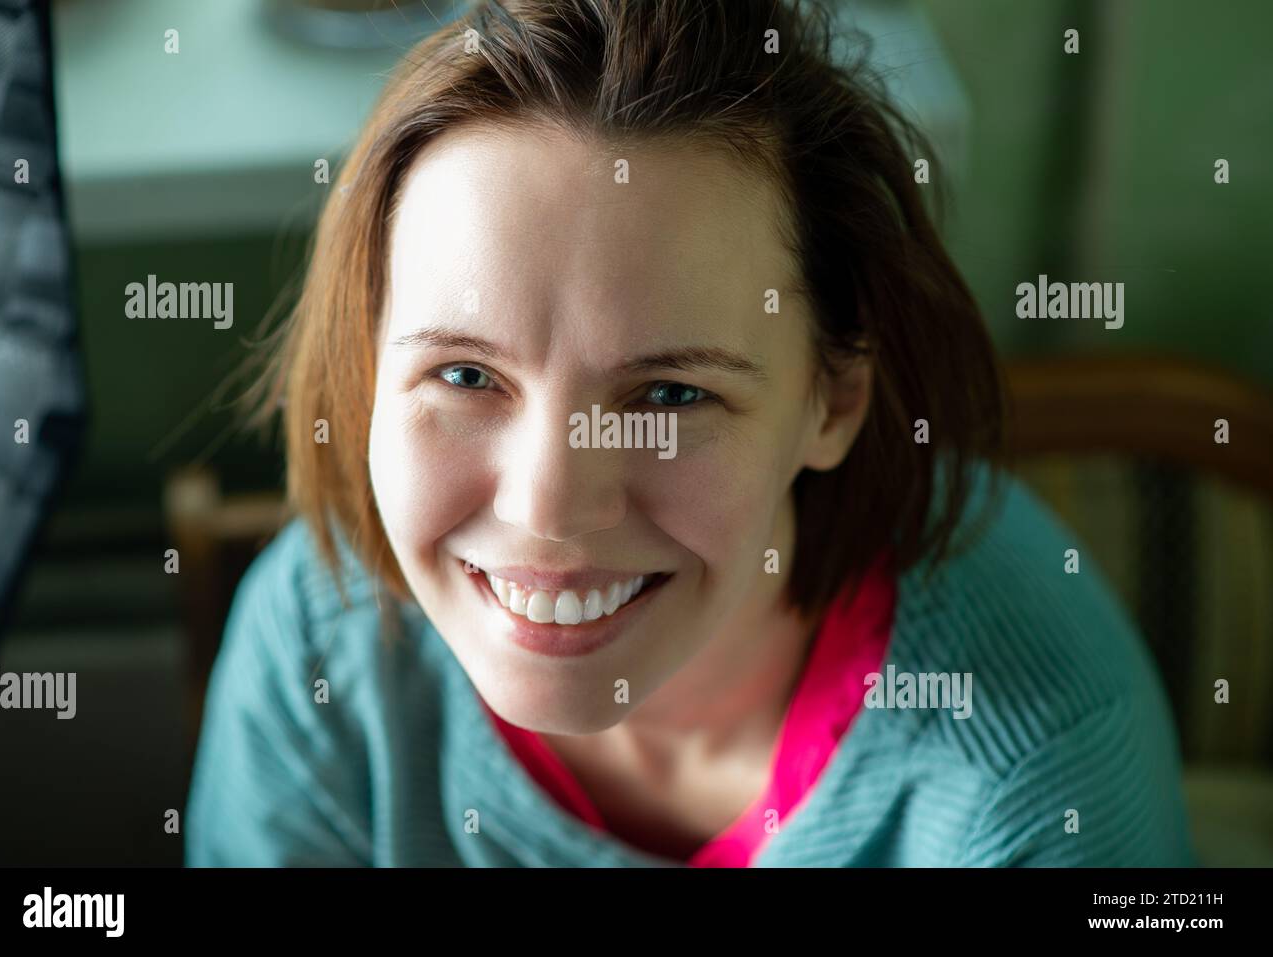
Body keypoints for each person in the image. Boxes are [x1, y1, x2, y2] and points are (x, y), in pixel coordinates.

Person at [185, 0, 1195, 867]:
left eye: (669, 395)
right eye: (463, 375)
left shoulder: (1034, 780)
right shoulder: (322, 648)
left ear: (831, 401)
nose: (548, 506)